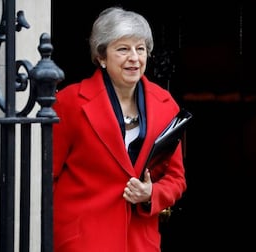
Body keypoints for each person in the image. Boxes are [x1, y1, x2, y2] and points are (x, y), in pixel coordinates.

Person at [52, 6, 187, 252]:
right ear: (101, 57)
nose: (134, 58)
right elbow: (46, 177)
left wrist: (151, 194)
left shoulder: (166, 105)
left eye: (140, 49)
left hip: (139, 241)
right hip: (82, 240)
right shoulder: (70, 102)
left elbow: (176, 179)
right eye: (123, 49)